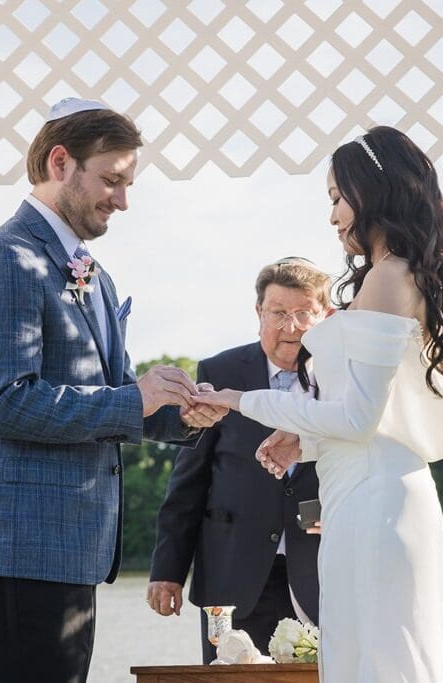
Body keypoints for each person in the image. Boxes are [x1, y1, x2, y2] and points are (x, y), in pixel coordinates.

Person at [0, 98, 227, 683]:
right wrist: (134, 399)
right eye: (112, 180)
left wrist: (183, 416)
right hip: (16, 550)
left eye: (128, 184)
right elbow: (4, 403)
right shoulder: (7, 259)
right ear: (59, 163)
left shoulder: (92, 272)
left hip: (68, 549)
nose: (123, 200)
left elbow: (118, 396)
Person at [194, 126, 443, 682]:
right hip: (360, 496)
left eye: (335, 197)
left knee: (380, 667)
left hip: (378, 507)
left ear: (369, 190)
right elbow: (369, 413)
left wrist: (238, 400)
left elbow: (357, 417)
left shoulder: (390, 277)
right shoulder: (395, 275)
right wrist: (307, 439)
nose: (332, 217)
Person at [147, 257, 331, 662]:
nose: (291, 327)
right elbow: (188, 484)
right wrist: (167, 572)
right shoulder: (220, 370)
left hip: (323, 578)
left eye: (304, 314)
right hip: (231, 579)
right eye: (279, 313)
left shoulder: (345, 379)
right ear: (258, 313)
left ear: (326, 315)